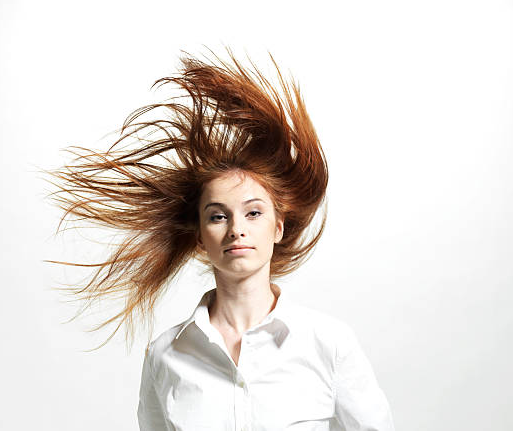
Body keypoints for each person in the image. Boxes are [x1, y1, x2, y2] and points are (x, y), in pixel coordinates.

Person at [45, 48, 395, 430]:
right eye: (217, 216)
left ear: (278, 227)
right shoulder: (166, 355)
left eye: (254, 212)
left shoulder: (328, 343)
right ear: (200, 237)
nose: (236, 229)